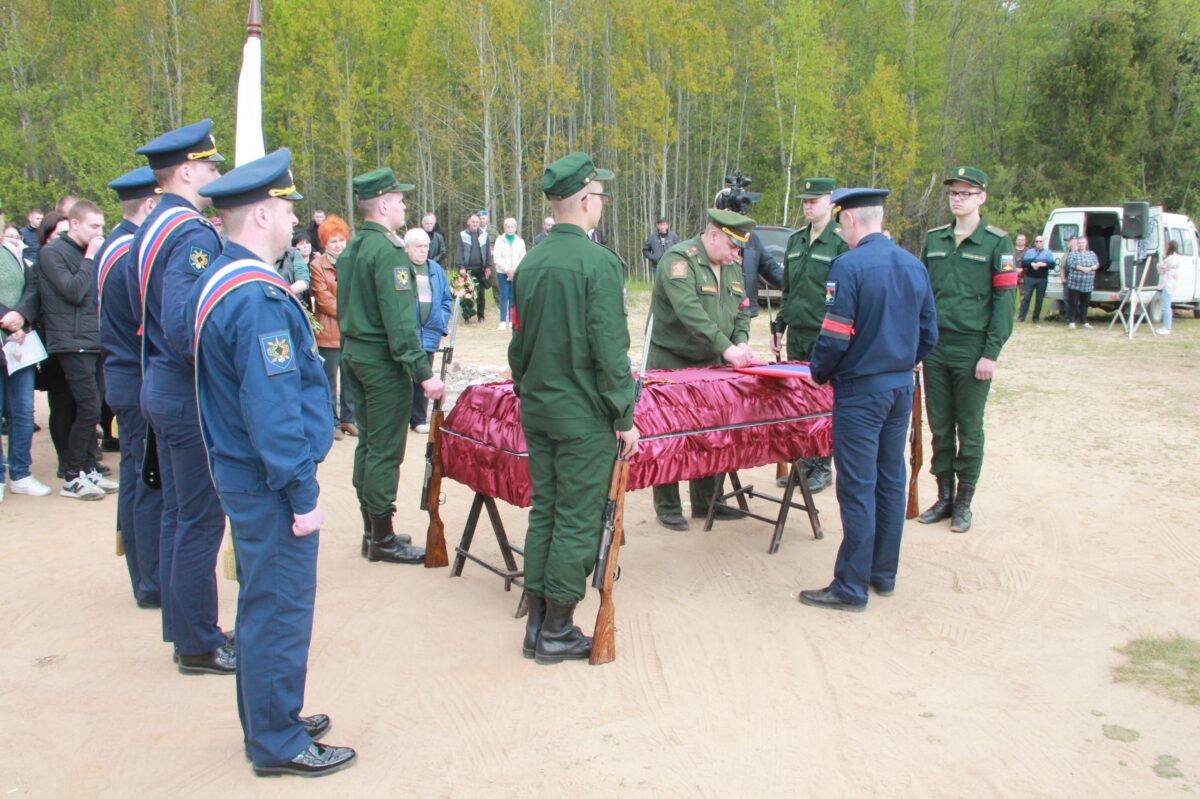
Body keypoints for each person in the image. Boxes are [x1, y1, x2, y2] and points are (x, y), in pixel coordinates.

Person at [191, 148, 355, 778]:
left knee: (266, 602)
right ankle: (277, 741)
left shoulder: (226, 278)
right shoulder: (254, 299)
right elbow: (274, 409)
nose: (295, 219)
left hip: (245, 471)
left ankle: (270, 714)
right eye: (286, 208)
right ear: (261, 215)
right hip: (268, 481)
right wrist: (302, 492)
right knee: (280, 607)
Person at [508, 151, 638, 664]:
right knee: (578, 520)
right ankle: (558, 629)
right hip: (582, 415)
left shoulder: (530, 263)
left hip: (539, 409)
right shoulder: (598, 264)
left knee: (547, 511)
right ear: (585, 201)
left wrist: (529, 390)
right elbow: (610, 352)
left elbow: (518, 348)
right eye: (599, 197)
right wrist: (624, 415)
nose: (601, 204)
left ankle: (538, 624)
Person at [798, 188, 938, 612]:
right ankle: (883, 573)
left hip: (861, 391)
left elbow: (835, 335)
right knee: (890, 481)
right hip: (900, 387)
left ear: (852, 221)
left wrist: (819, 371)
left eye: (842, 223)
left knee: (858, 487)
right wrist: (901, 362)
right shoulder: (914, 265)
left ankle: (851, 586)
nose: (841, 230)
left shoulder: (849, 266)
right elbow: (929, 333)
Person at [131, 118, 235, 674]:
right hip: (185, 389)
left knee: (177, 514)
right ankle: (198, 641)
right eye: (212, 168)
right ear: (189, 171)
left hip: (160, 384)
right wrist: (224, 368)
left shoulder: (153, 225)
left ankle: (185, 628)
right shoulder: (191, 231)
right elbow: (181, 324)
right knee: (199, 519)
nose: (215, 175)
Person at [338, 167, 445, 564]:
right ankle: (381, 538)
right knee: (385, 450)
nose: (404, 206)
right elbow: (400, 324)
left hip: (356, 354)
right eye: (399, 200)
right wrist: (423, 373)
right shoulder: (388, 251)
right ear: (382, 204)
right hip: (382, 361)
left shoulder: (353, 248)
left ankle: (373, 528)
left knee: (368, 445)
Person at [918, 166, 1016, 534]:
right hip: (937, 347)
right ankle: (944, 496)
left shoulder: (996, 243)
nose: (957, 199)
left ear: (982, 197)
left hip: (973, 348)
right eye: (953, 193)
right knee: (940, 427)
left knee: (969, 427)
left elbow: (1005, 302)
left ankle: (964, 502)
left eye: (965, 193)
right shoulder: (936, 239)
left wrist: (991, 353)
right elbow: (922, 296)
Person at [648, 208, 756, 531]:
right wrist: (728, 348)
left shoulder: (732, 267)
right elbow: (690, 313)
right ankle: (667, 505)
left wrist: (742, 342)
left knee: (709, 435)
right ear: (712, 236)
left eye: (739, 248)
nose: (737, 254)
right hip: (672, 363)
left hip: (711, 366)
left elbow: (742, 311)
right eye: (732, 246)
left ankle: (707, 501)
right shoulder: (678, 261)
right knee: (669, 435)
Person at [96, 166, 162, 607]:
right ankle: (151, 580)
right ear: (151, 204)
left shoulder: (114, 245)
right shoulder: (130, 253)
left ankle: (142, 572)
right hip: (135, 374)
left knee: (137, 477)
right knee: (148, 481)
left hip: (122, 373)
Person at [36, 200, 117, 499]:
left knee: (95, 407)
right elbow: (73, 291)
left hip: (93, 338)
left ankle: (88, 468)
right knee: (86, 407)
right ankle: (72, 475)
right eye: (94, 226)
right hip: (70, 341)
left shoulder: (85, 253)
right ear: (75, 224)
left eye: (101, 227)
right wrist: (91, 257)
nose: (99, 232)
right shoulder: (51, 253)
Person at [771, 177, 848, 493]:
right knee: (800, 399)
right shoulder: (796, 240)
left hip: (825, 334)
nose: (807, 205)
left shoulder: (840, 242)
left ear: (830, 202)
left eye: (813, 200)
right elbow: (788, 289)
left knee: (824, 400)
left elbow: (844, 295)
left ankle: (823, 465)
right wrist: (779, 326)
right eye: (804, 200)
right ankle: (804, 459)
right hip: (798, 333)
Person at [0, 212, 51, 502]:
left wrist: (21, 316)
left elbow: (31, 288)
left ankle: (20, 472)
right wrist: (6, 318)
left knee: (22, 411)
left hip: (19, 343)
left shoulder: (13, 252)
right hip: (7, 332)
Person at [308, 214, 357, 439]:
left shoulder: (353, 261)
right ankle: (332, 422)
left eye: (341, 240)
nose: (338, 245)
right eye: (333, 241)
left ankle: (349, 419)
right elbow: (323, 299)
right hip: (329, 331)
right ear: (325, 243)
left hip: (351, 332)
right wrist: (352, 312)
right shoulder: (318, 265)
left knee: (350, 378)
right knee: (329, 380)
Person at [404, 227, 453, 433]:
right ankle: (401, 418)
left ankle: (418, 419)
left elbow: (445, 299)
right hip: (408, 333)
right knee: (404, 377)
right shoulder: (401, 269)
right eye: (418, 247)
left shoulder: (435, 270)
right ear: (407, 248)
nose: (423, 250)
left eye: (426, 246)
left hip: (430, 333)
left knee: (424, 376)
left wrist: (440, 323)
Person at [455, 213, 491, 322]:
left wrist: (488, 266)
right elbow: (459, 252)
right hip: (467, 269)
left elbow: (488, 252)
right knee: (467, 295)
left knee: (481, 296)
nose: (475, 224)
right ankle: (467, 317)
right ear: (468, 222)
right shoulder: (462, 235)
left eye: (477, 222)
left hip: (481, 269)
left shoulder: (484, 235)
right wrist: (461, 267)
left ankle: (481, 317)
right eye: (473, 222)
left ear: (479, 223)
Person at [492, 217, 525, 330]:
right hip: (502, 272)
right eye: (508, 226)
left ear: (515, 228)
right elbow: (496, 257)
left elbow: (522, 257)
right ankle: (502, 320)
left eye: (512, 227)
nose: (510, 229)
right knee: (504, 295)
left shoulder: (520, 241)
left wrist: (514, 269)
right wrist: (507, 269)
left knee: (513, 296)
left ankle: (512, 320)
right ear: (504, 227)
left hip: (516, 273)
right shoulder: (499, 240)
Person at [1064, 234, 1099, 330]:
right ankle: (1071, 321)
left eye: (1082, 243)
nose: (1081, 245)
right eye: (1079, 243)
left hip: (1087, 284)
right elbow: (1072, 264)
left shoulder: (1091, 253)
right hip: (1074, 284)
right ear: (1077, 244)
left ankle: (1084, 321)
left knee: (1085, 304)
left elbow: (1096, 264)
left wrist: (1091, 268)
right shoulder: (1073, 254)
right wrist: (1083, 269)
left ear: (1086, 243)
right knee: (1073, 303)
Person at [1018, 234, 1054, 323]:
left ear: (1043, 242)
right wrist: (1032, 264)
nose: (1038, 243)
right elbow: (1024, 262)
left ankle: (1036, 318)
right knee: (1026, 297)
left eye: (1040, 241)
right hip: (1030, 278)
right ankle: (1021, 317)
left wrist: (1043, 264)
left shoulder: (1048, 253)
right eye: (1037, 241)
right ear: (1034, 242)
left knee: (1039, 299)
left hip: (1042, 279)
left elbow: (1052, 265)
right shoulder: (1029, 252)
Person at [1158, 240, 1183, 335]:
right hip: (1171, 284)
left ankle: (1166, 327)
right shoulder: (1178, 258)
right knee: (1166, 305)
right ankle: (1166, 326)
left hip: (1167, 284)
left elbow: (1161, 266)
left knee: (1166, 306)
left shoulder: (1172, 258)